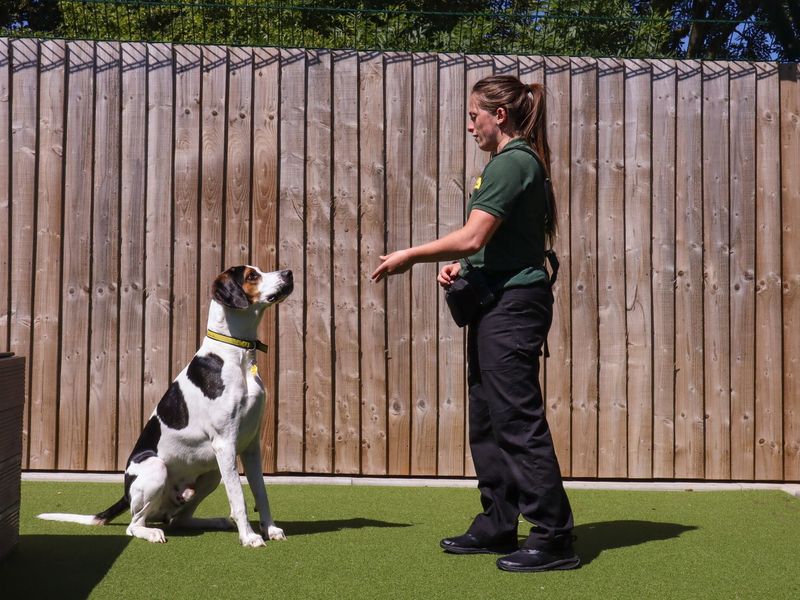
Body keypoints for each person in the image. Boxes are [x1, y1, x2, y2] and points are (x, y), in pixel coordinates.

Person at [371, 74, 578, 572]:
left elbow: (473, 236)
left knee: (517, 418)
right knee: (487, 416)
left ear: (498, 115)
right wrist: (466, 267)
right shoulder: (504, 165)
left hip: (515, 306)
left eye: (473, 115)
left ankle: (553, 534)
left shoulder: (514, 163)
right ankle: (499, 523)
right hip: (495, 301)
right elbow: (492, 245)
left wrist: (412, 255)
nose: (470, 125)